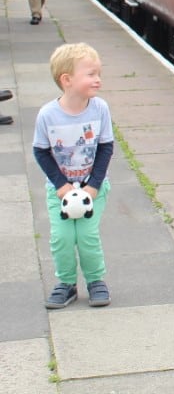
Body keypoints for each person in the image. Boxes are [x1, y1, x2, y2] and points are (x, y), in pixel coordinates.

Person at [32, 43, 114, 309]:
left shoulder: (100, 109)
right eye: (90, 74)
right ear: (66, 80)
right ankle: (66, 283)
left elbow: (105, 147)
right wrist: (61, 185)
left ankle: (95, 280)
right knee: (62, 237)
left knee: (87, 236)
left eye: (98, 73)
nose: (98, 79)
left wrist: (94, 186)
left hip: (93, 189)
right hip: (61, 191)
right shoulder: (47, 115)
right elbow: (41, 151)